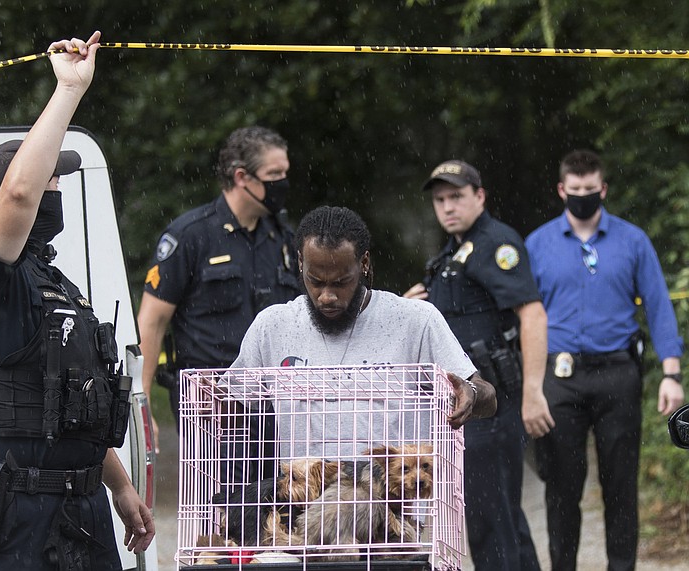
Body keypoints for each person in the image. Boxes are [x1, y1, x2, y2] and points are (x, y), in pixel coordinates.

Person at [0, 32, 154, 570]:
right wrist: (69, 90)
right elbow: (18, 194)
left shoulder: (56, 284)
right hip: (15, 515)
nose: (55, 190)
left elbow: (67, 408)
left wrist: (121, 488)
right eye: (52, 181)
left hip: (82, 508)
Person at [525, 149, 685, 571]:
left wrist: (671, 372)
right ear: (562, 190)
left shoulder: (632, 240)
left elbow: (658, 305)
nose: (583, 196)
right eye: (575, 190)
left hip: (618, 374)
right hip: (560, 378)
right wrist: (526, 383)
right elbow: (525, 315)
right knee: (561, 489)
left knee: (619, 487)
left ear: (603, 189)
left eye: (590, 190)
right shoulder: (538, 244)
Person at [228, 205, 497, 440]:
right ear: (300, 263)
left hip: (395, 497)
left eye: (341, 282)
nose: (327, 296)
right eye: (316, 281)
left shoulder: (416, 320)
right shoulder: (272, 326)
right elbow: (231, 407)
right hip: (308, 497)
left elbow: (488, 397)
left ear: (364, 264)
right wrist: (212, 406)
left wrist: (471, 393)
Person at [403, 160, 551, 571]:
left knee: (489, 520)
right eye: (440, 200)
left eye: (457, 197)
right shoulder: (454, 251)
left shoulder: (495, 243)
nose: (447, 207)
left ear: (479, 196)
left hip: (492, 402)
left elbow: (533, 314)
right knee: (503, 516)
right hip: (470, 404)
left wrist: (534, 393)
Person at [137, 126, 301, 442]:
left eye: (285, 172)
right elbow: (152, 322)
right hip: (209, 406)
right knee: (216, 491)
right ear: (242, 177)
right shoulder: (191, 236)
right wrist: (141, 406)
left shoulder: (283, 239)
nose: (283, 182)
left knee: (276, 491)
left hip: (276, 405)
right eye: (274, 173)